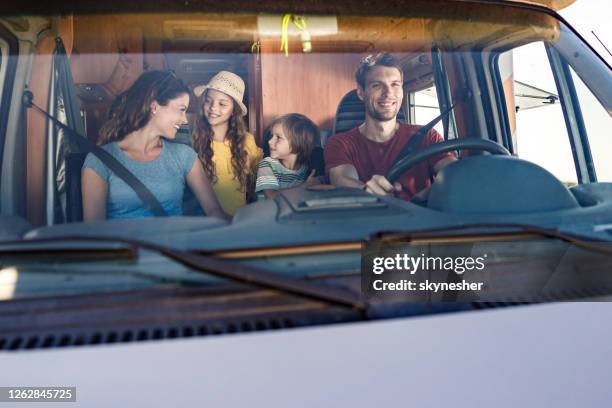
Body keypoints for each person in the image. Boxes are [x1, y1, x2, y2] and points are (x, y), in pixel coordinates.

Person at [81, 70, 229, 221]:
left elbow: (213, 210)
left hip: (172, 243)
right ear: (154, 107)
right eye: (181, 110)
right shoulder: (99, 160)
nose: (184, 120)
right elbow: (94, 232)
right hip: (124, 245)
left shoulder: (184, 156)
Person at [324, 53, 456, 201]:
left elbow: (455, 174)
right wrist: (364, 190)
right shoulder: (340, 143)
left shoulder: (428, 136)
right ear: (361, 93)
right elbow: (341, 177)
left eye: (395, 84)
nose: (388, 93)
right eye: (377, 85)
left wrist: (423, 198)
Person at [192, 71, 263, 215]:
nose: (213, 107)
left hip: (237, 223)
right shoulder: (193, 140)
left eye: (222, 104)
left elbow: (264, 170)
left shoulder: (247, 141)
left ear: (233, 111)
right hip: (202, 224)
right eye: (208, 100)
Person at [255, 113, 321, 200]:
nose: (270, 141)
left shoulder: (306, 169)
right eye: (272, 136)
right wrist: (305, 186)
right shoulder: (267, 165)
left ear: (298, 143)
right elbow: (270, 197)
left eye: (278, 137)